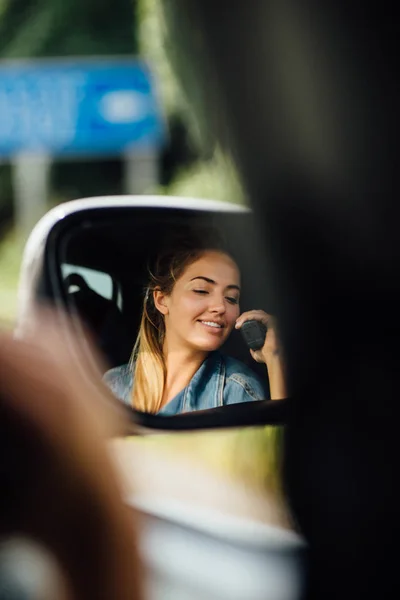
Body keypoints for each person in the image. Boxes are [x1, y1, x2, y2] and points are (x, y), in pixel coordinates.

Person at [104, 241, 286, 414]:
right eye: (201, 290)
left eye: (231, 298)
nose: (221, 307)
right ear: (161, 300)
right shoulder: (113, 385)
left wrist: (275, 356)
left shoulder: (237, 389)